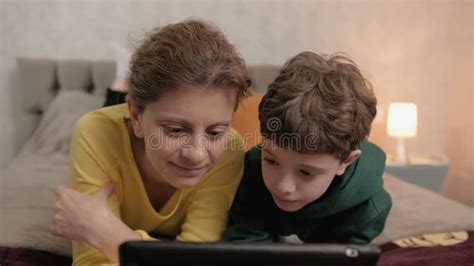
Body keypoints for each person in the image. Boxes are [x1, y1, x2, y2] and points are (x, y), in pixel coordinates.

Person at [51, 19, 251, 265]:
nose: (197, 155)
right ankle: (119, 82)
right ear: (136, 116)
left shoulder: (230, 149)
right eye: (176, 130)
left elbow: (198, 258)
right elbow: (91, 262)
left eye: (215, 132)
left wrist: (101, 227)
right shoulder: (94, 132)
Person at [224, 51, 392, 244]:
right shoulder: (250, 169)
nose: (283, 187)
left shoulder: (369, 208)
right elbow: (247, 242)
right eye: (271, 160)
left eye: (306, 172)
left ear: (346, 162)